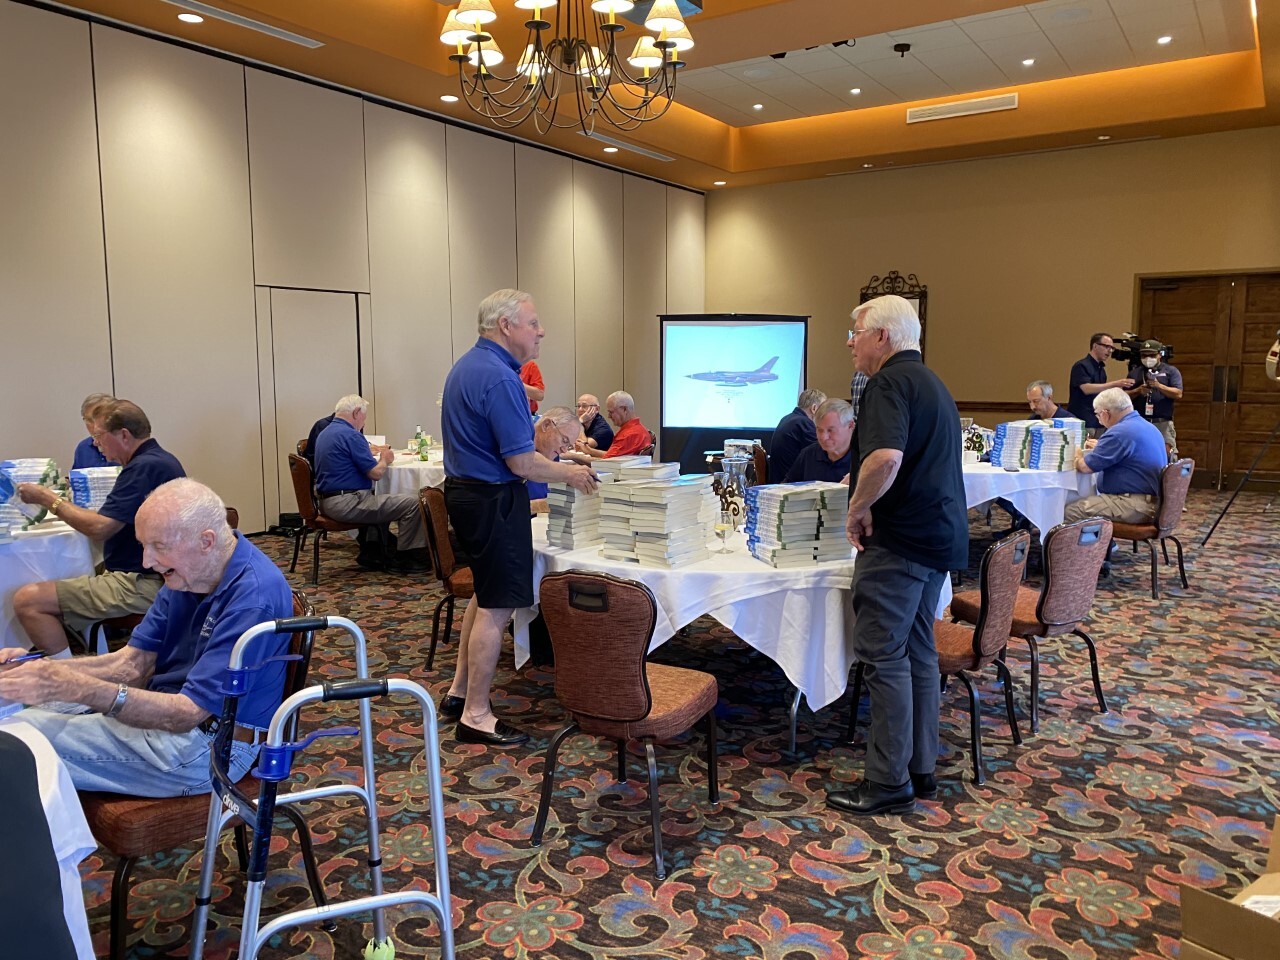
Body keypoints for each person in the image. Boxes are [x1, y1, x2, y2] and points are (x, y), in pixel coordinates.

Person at [0, 479, 292, 796]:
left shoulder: (252, 598)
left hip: (209, 749)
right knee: (13, 716)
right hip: (171, 721)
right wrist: (36, 671)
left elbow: (187, 713)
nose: (146, 562)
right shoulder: (190, 574)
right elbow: (131, 665)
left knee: (12, 742)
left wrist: (76, 686)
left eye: (159, 547)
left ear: (206, 541)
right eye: (143, 545)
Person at [827, 295, 967, 818]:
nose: (850, 341)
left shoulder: (887, 383)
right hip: (937, 539)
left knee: (883, 656)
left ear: (882, 336)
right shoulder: (932, 383)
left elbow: (886, 457)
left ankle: (887, 780)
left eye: (855, 330)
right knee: (917, 652)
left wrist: (856, 509)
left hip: (900, 542)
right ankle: (919, 768)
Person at [441, 289, 599, 747]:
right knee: (497, 607)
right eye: (533, 323)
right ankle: (477, 714)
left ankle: (458, 691)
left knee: (484, 596)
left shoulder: (467, 367)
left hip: (467, 495)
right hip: (493, 499)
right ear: (505, 325)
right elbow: (522, 464)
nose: (541, 330)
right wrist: (571, 472)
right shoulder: (500, 378)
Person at [14, 400, 185, 657]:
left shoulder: (142, 468)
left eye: (98, 436)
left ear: (124, 435)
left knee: (28, 600)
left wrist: (47, 498)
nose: (95, 444)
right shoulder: (159, 460)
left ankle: (68, 683)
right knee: (68, 574)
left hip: (144, 581)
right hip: (158, 573)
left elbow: (99, 528)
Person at [313, 395, 427, 570]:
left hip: (326, 502)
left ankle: (375, 550)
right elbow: (376, 473)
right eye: (363, 418)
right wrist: (385, 459)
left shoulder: (325, 433)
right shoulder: (351, 435)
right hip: (347, 503)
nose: (363, 424)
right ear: (356, 412)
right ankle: (406, 557)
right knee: (413, 503)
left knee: (381, 498)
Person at [1066, 387, 1167, 527]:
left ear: (1105, 414)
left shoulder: (1119, 432)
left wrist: (1076, 455)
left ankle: (1094, 548)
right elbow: (1127, 453)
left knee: (1071, 511)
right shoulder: (1147, 426)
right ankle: (1102, 545)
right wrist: (1102, 447)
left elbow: (1085, 467)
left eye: (1098, 415)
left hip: (1135, 504)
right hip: (1153, 501)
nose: (1099, 421)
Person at [1068, 333, 1135, 436]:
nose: (1110, 351)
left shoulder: (1101, 370)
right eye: (1107, 347)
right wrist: (1115, 384)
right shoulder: (1081, 365)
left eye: (1112, 348)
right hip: (1083, 419)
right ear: (1095, 346)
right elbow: (1086, 388)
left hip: (1098, 420)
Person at [1126, 340, 1182, 458]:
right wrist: (1137, 391)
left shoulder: (1170, 371)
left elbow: (1178, 394)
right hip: (1140, 422)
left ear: (1159, 354)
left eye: (1151, 355)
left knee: (1166, 454)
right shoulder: (1135, 373)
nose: (1147, 358)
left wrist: (1159, 386)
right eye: (1144, 355)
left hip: (1163, 423)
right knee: (1139, 454)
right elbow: (1124, 397)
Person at [784, 398, 853, 483]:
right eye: (819, 430)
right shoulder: (808, 454)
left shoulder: (864, 459)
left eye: (830, 430)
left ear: (850, 426)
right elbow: (786, 488)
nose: (823, 437)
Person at [527, 406, 584, 510]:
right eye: (564, 441)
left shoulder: (552, 453)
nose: (564, 450)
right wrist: (542, 505)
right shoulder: (519, 451)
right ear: (546, 425)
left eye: (569, 446)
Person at [770, 388, 825, 483]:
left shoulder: (787, 418)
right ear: (814, 408)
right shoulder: (804, 423)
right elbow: (821, 453)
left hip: (779, 478)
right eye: (823, 409)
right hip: (790, 484)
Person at [575, 390, 651, 459]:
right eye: (578, 406)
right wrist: (589, 450)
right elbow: (612, 455)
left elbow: (609, 461)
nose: (609, 416)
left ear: (624, 409)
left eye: (611, 412)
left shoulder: (630, 434)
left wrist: (576, 456)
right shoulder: (636, 429)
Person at [71, 393, 115, 469]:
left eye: (100, 419)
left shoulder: (123, 446)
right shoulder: (83, 448)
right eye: (89, 420)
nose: (95, 426)